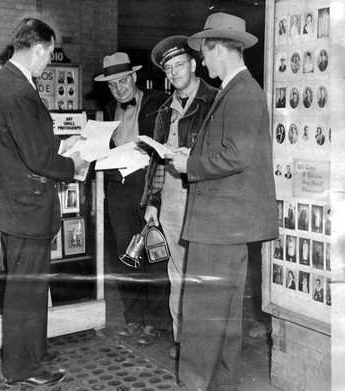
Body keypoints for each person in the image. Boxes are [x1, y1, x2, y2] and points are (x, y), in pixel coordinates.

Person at [165, 13, 278, 391]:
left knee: (200, 315)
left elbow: (237, 155)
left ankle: (194, 384)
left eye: (205, 53)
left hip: (219, 225)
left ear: (218, 50)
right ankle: (220, 384)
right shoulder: (239, 89)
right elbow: (230, 149)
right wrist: (193, 151)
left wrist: (188, 163)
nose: (204, 62)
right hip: (228, 224)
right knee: (226, 317)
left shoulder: (242, 90)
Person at [0, 18, 88, 388]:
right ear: (39, 49)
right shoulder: (18, 90)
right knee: (26, 287)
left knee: (31, 282)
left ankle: (34, 351)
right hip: (24, 203)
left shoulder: (1, 82)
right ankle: (22, 368)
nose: (49, 64)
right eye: (50, 55)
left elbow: (20, 144)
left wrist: (58, 146)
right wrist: (74, 163)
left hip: (11, 199)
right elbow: (37, 157)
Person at [143, 35, 217, 357]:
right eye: (168, 69)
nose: (173, 73)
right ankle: (182, 340)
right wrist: (153, 202)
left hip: (201, 198)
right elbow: (157, 162)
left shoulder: (214, 101)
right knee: (177, 274)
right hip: (172, 198)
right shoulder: (164, 109)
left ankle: (203, 344)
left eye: (178, 65)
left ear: (193, 64)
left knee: (201, 275)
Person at [94, 52, 170, 345]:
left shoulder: (157, 102)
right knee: (125, 256)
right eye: (113, 85)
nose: (119, 89)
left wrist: (157, 195)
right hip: (118, 186)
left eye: (123, 81)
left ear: (134, 77)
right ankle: (134, 319)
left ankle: (155, 322)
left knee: (153, 253)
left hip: (147, 184)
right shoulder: (108, 109)